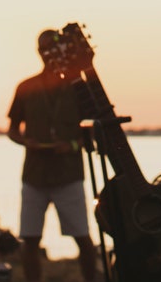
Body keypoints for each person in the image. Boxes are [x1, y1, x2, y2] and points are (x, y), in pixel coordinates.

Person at [7, 30, 98, 282]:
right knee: (30, 239)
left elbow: (95, 130)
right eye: (45, 48)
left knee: (82, 236)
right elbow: (12, 130)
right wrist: (27, 142)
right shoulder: (25, 87)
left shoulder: (77, 87)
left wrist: (70, 145)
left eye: (54, 47)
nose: (49, 53)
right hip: (34, 177)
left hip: (69, 176)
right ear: (39, 52)